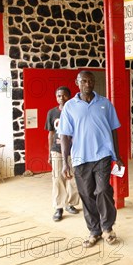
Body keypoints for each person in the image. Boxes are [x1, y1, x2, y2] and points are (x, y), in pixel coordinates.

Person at [58, 71, 123, 248]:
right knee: (87, 195)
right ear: (77, 83)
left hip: (102, 155)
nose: (88, 84)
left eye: (91, 81)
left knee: (102, 190)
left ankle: (107, 228)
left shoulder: (105, 104)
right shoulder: (70, 107)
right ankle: (94, 231)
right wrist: (65, 162)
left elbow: (113, 131)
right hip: (80, 158)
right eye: (84, 81)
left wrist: (117, 156)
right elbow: (64, 136)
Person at [45, 86, 80, 222]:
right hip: (57, 150)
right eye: (59, 96)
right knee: (57, 178)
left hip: (73, 150)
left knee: (72, 178)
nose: (61, 98)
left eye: (64, 96)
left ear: (69, 97)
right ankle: (59, 206)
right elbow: (50, 134)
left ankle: (70, 203)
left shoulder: (75, 112)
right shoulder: (52, 113)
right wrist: (49, 153)